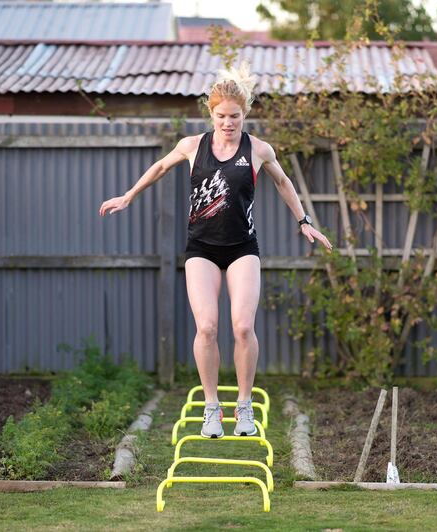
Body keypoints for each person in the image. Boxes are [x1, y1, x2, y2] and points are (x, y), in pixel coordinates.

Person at [99, 63, 332, 438]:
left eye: (235, 116)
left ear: (245, 114)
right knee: (206, 327)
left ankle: (243, 407)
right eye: (221, 116)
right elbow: (159, 167)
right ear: (211, 114)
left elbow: (285, 183)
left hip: (242, 248)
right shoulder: (192, 146)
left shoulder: (258, 149)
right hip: (202, 249)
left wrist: (304, 221)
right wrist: (128, 196)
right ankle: (212, 407)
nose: (228, 123)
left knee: (242, 327)